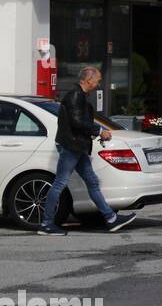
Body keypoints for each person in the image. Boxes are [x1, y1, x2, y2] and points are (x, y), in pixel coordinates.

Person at [40, 66, 136, 236]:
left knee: (92, 182)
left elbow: (78, 122)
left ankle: (110, 219)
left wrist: (93, 132)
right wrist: (99, 131)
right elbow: (77, 122)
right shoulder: (76, 96)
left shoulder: (79, 96)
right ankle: (47, 224)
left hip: (78, 146)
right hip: (72, 147)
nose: (99, 83)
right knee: (60, 183)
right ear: (88, 80)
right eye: (97, 80)